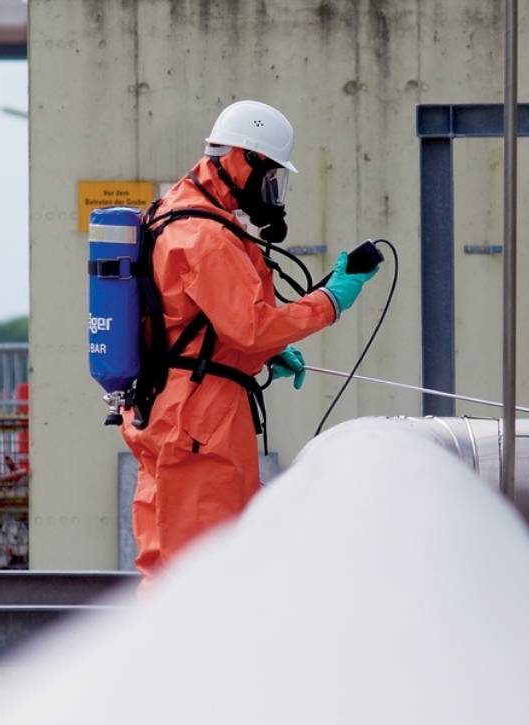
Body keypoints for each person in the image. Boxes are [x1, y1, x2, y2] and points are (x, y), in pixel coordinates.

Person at [121, 99, 377, 584]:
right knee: (204, 574)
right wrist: (331, 300)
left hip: (167, 408)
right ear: (243, 159)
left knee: (166, 562)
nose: (271, 191)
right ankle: (199, 661)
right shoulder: (207, 237)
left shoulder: (171, 212)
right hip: (201, 420)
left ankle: (176, 659)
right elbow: (252, 326)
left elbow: (192, 321)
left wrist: (260, 352)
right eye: (270, 177)